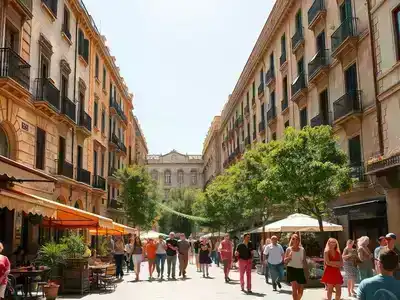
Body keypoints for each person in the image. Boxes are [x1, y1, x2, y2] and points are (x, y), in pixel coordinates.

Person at [284, 233, 308, 300]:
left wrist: (306, 271)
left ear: (299, 240)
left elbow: (304, 261)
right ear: (291, 240)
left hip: (300, 270)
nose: (295, 240)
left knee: (301, 290)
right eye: (293, 239)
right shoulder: (288, 249)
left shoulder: (302, 249)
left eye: (297, 239)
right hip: (291, 269)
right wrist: (289, 257)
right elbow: (285, 261)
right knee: (294, 288)